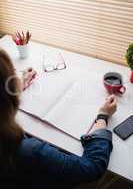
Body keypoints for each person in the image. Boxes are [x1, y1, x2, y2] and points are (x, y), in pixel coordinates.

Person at [0, 48, 117, 189]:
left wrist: (17, 85)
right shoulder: (30, 150)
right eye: (13, 74)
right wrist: (103, 117)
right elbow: (91, 168)